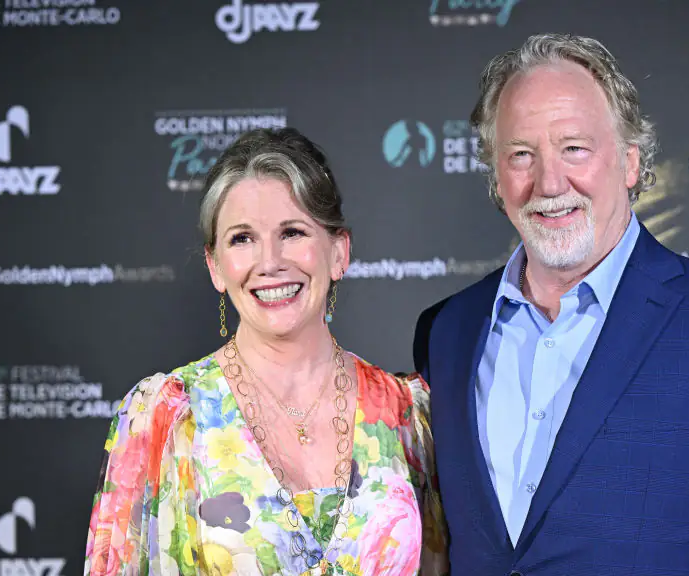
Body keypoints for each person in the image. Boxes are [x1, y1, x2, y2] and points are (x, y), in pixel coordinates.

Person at [413, 33, 689, 575]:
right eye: (521, 154)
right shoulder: (447, 331)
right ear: (495, 175)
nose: (549, 182)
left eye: (574, 148)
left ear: (630, 162)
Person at [85, 127, 449, 576]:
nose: (270, 262)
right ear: (215, 267)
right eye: (242, 238)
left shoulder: (406, 413)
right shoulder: (164, 416)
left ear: (339, 252)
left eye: (292, 232)